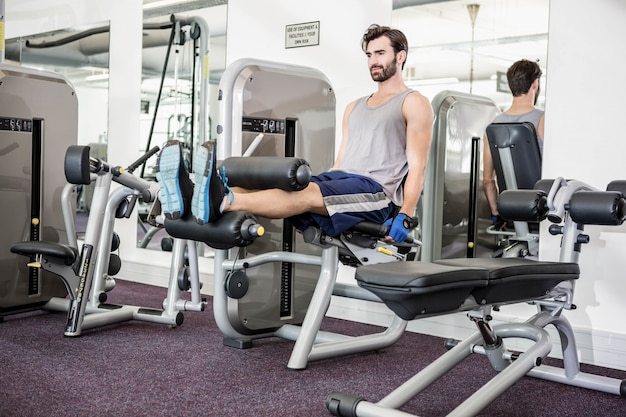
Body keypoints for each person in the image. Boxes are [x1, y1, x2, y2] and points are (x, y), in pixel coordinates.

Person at [156, 23, 433, 243]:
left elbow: (417, 167)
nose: (373, 61)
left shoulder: (413, 102)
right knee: (281, 186)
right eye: (370, 54)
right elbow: (341, 162)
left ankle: (224, 201)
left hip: (375, 193)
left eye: (380, 53)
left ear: (400, 56)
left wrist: (405, 213)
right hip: (342, 181)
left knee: (307, 193)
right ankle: (193, 198)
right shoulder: (354, 107)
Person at [483, 59, 544, 228]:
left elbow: (488, 180)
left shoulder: (492, 126)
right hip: (541, 214)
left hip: (510, 213)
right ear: (535, 83)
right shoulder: (543, 119)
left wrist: (497, 214)